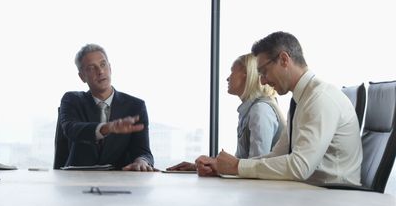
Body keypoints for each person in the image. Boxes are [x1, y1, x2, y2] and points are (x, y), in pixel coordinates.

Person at [198, 31, 362, 186]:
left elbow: (299, 167)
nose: (262, 82)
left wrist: (237, 167)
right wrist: (225, 166)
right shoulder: (302, 99)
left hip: (333, 198)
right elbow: (278, 155)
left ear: (284, 59)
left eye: (264, 72)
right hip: (314, 192)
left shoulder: (319, 98)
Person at [167, 53, 285, 171]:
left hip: (263, 189)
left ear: (246, 74)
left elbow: (253, 168)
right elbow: (244, 165)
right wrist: (203, 166)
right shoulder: (250, 110)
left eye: (232, 71)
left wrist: (215, 165)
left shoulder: (260, 110)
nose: (228, 78)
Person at [59, 43, 154, 171]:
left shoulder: (136, 106)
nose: (100, 71)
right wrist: (106, 128)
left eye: (103, 65)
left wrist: (141, 161)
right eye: (92, 68)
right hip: (77, 178)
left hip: (120, 181)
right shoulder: (72, 100)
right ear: (82, 77)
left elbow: (143, 151)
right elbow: (71, 129)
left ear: (110, 68)